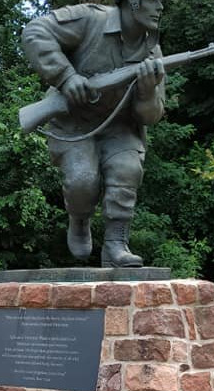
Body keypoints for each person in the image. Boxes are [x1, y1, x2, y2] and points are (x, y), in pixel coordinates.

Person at [22, 0, 165, 268]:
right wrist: (66, 77)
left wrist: (147, 92)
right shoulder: (90, 18)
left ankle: (116, 245)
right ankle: (79, 219)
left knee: (127, 169)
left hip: (120, 126)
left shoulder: (152, 53)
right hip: (74, 121)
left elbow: (152, 115)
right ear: (134, 3)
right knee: (82, 182)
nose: (160, 8)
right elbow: (35, 32)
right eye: (154, 1)